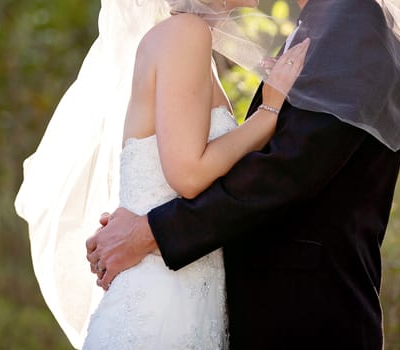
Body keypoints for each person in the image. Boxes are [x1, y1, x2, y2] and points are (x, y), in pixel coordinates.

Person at [86, 0, 400, 349]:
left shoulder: (351, 16)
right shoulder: (193, 36)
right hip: (206, 304)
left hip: (308, 313)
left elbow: (291, 168)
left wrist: (151, 232)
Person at [15, 0, 309, 349]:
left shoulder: (185, 38)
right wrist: (269, 112)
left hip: (182, 298)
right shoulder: (186, 34)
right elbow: (187, 174)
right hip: (158, 309)